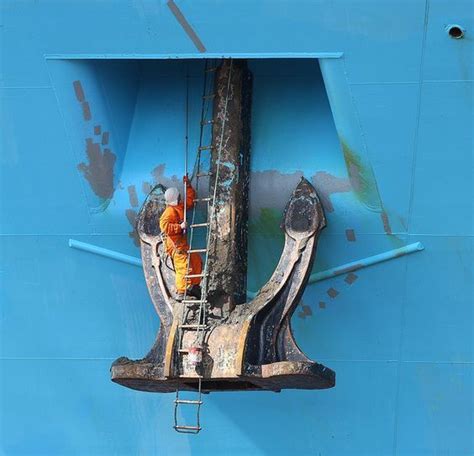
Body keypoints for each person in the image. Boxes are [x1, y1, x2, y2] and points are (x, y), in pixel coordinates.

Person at [159, 175, 203, 301]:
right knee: (183, 267)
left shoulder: (179, 207)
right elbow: (164, 226)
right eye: (178, 196)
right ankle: (181, 292)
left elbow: (190, 201)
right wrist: (179, 227)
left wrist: (188, 186)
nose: (180, 197)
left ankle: (194, 287)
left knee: (196, 261)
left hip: (182, 244)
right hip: (176, 246)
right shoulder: (169, 212)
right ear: (175, 198)